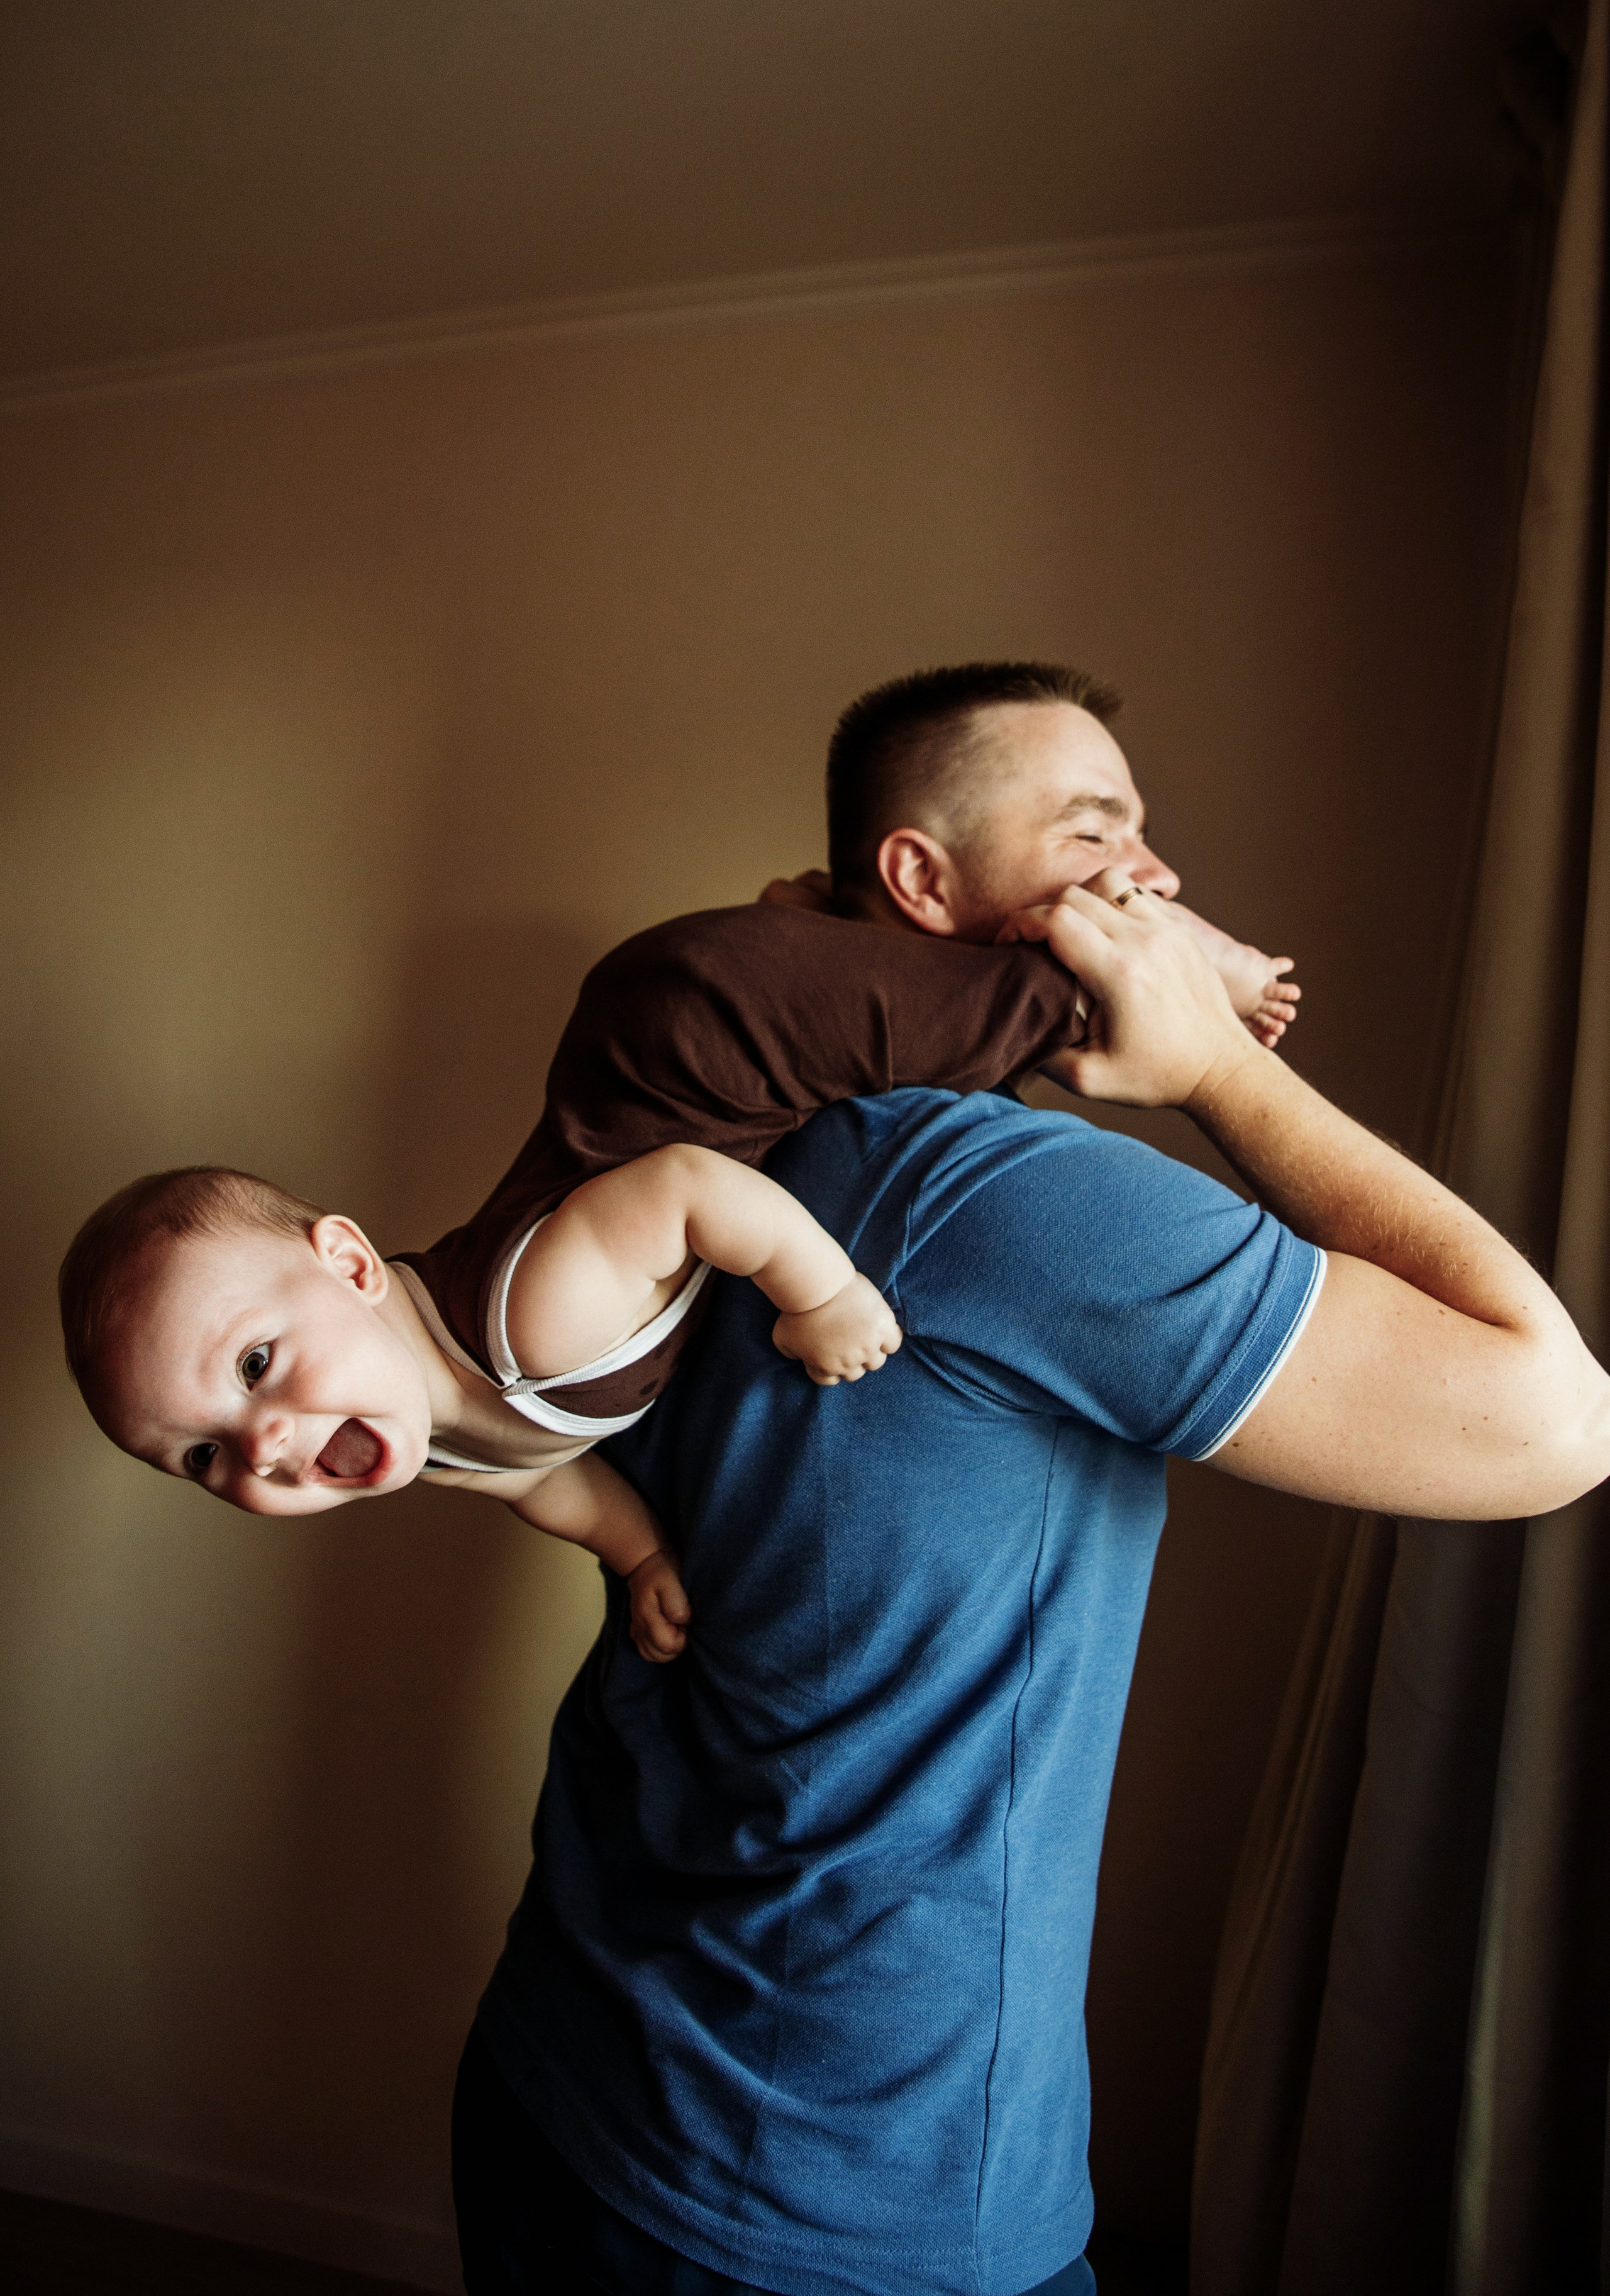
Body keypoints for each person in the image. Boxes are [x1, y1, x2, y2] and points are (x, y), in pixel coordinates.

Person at [443, 672, 1610, 2296]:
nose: (1159, 876)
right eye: (1096, 832)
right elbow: (1556, 1420)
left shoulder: (706, 1123)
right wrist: (1216, 1069)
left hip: (573, 2056)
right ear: (920, 885)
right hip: (831, 2203)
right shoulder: (987, 1196)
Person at [56, 666, 1293, 1669]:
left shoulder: (531, 1318)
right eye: (205, 1457)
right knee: (908, 1010)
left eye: (255, 1368)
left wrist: (823, 1295)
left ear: (347, 1261)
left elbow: (692, 1193)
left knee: (1001, 1011)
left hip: (690, 1029)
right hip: (701, 1047)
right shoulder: (427, 1432)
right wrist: (638, 1556)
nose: (263, 1444)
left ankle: (1192, 967)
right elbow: (539, 1481)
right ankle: (814, 931)